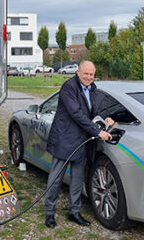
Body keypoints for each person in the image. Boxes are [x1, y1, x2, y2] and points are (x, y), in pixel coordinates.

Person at [44, 60, 115, 228]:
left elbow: (93, 111)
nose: (89, 77)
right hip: (65, 139)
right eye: (86, 74)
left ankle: (74, 212)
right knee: (56, 178)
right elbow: (77, 114)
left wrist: (105, 118)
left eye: (91, 74)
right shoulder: (69, 87)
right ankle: (49, 213)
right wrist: (98, 132)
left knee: (78, 179)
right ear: (78, 72)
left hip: (82, 140)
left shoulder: (93, 88)